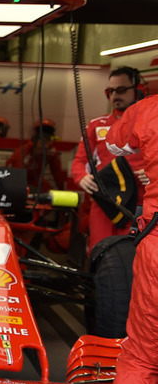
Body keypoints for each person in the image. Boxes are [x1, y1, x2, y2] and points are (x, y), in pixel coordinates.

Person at [92, 93, 156, 384]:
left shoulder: (149, 109)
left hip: (156, 250)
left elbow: (114, 143)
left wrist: (145, 158)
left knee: (141, 360)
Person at [71, 67, 148, 253]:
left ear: (138, 89)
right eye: (110, 91)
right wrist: (81, 176)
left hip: (140, 202)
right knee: (100, 252)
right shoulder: (96, 125)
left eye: (121, 90)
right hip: (105, 202)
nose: (114, 95)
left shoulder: (151, 124)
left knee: (133, 256)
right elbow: (79, 162)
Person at [6, 120, 67, 191]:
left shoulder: (51, 152)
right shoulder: (24, 151)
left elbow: (57, 174)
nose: (43, 152)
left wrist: (63, 191)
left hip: (35, 180)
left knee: (49, 194)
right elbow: (16, 175)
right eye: (41, 149)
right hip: (13, 180)